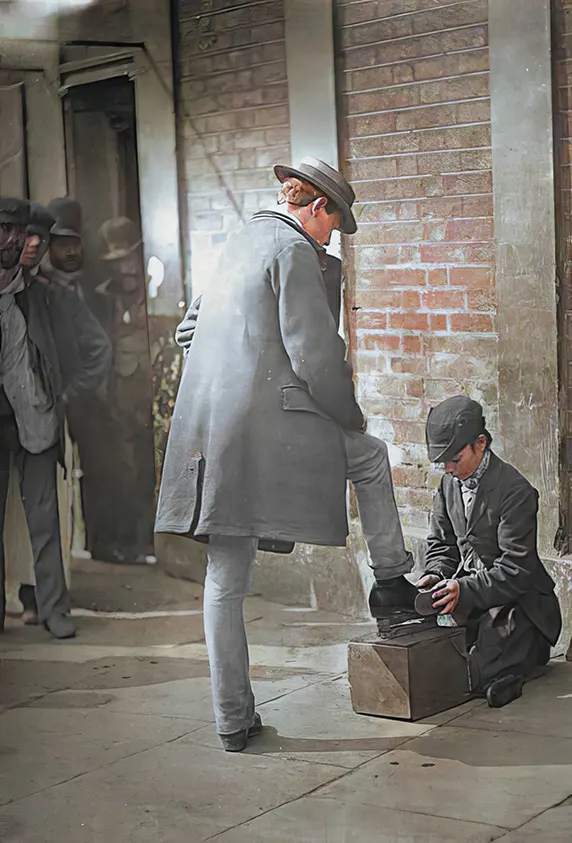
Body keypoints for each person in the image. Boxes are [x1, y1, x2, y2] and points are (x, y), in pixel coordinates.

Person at [156, 157, 417, 751]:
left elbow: (188, 330)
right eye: (334, 225)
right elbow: (314, 357)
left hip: (210, 433)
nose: (331, 239)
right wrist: (349, 414)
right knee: (370, 454)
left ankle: (232, 720)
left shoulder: (237, 241)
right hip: (269, 430)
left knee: (224, 578)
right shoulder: (294, 249)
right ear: (317, 206)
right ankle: (392, 584)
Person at [415, 395, 562, 708]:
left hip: (517, 603)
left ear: (480, 443)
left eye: (455, 458)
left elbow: (516, 571)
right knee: (435, 660)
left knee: (476, 670)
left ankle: (512, 669)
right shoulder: (448, 485)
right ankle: (497, 669)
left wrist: (463, 589)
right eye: (443, 462)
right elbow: (442, 544)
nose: (449, 468)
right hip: (472, 599)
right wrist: (435, 574)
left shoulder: (515, 491)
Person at [0, 198, 75, 637]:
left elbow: (70, 348)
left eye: (18, 231)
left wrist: (60, 388)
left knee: (45, 520)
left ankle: (54, 609)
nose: (12, 240)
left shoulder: (40, 295)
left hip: (36, 421)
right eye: (4, 230)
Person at [96, 216, 155, 564]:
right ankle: (125, 544)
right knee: (123, 474)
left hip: (152, 399)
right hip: (117, 403)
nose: (126, 268)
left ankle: (149, 543)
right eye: (118, 262)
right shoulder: (103, 299)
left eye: (130, 258)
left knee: (150, 471)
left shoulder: (160, 291)